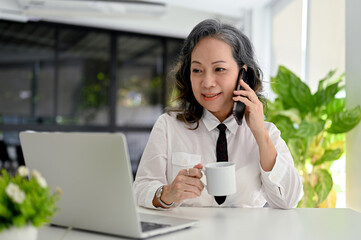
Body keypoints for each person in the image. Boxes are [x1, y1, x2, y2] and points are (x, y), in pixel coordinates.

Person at [133, 19, 303, 209]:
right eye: (197, 70)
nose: (207, 82)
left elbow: (288, 201)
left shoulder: (267, 133)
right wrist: (167, 193)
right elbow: (140, 189)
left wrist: (260, 135)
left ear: (242, 74)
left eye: (219, 69)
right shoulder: (168, 126)